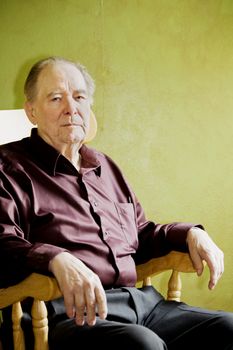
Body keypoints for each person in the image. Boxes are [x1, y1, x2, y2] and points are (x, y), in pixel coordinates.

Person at [0, 56, 232, 350]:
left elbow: (141, 235)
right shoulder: (8, 167)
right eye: (56, 98)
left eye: (79, 97)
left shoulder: (104, 167)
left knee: (227, 329)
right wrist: (56, 258)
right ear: (31, 111)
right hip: (62, 314)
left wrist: (189, 233)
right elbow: (2, 242)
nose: (71, 108)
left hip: (140, 304)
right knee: (142, 345)